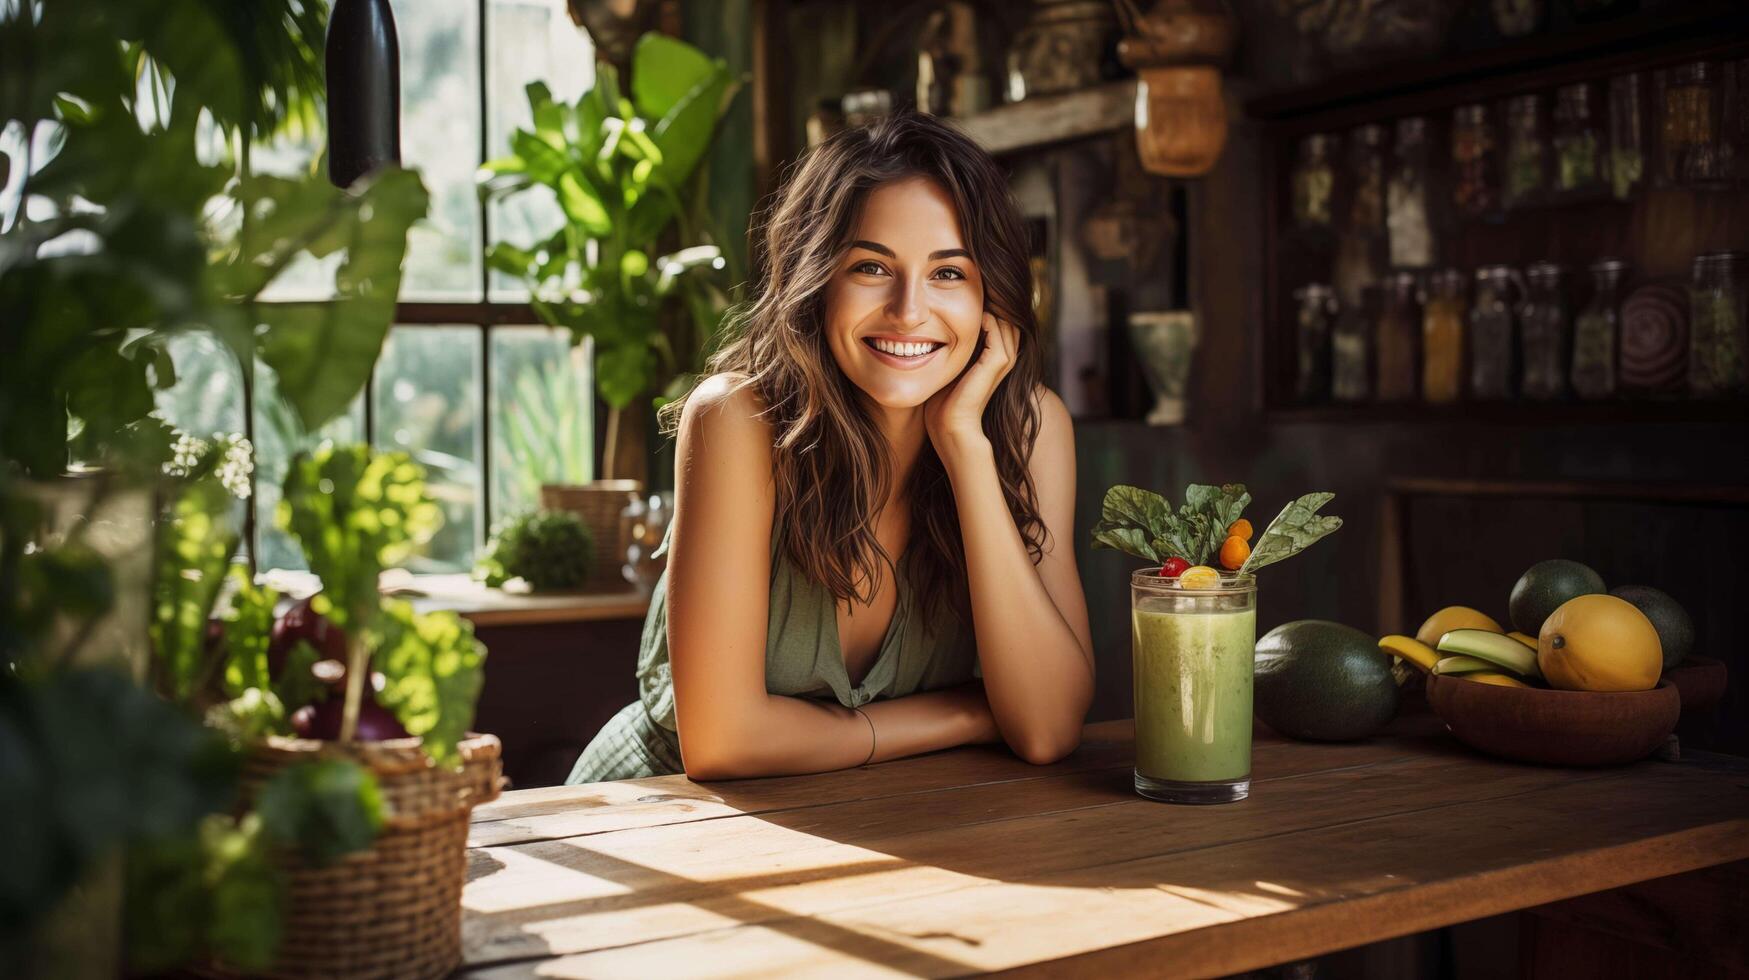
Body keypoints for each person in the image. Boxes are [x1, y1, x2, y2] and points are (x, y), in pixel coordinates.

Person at [566, 110, 1093, 783]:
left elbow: (1047, 728)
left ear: (991, 296)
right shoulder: (737, 420)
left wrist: (964, 446)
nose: (908, 310)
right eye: (872, 267)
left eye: (948, 274)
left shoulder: (1028, 429)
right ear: (815, 281)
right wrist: (968, 715)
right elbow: (722, 743)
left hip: (875, 830)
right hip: (654, 824)